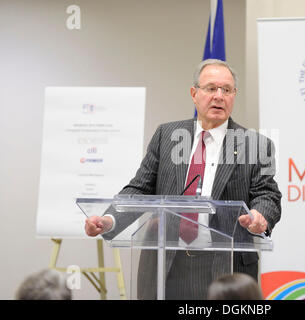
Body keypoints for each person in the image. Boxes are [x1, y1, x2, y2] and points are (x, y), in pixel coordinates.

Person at [85, 59, 282, 299]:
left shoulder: (255, 144)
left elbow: (267, 194)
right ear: (194, 93)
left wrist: (261, 216)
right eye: (211, 88)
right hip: (165, 263)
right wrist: (109, 219)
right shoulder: (167, 136)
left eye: (227, 90)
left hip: (225, 266)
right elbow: (140, 189)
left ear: (234, 95)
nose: (219, 96)